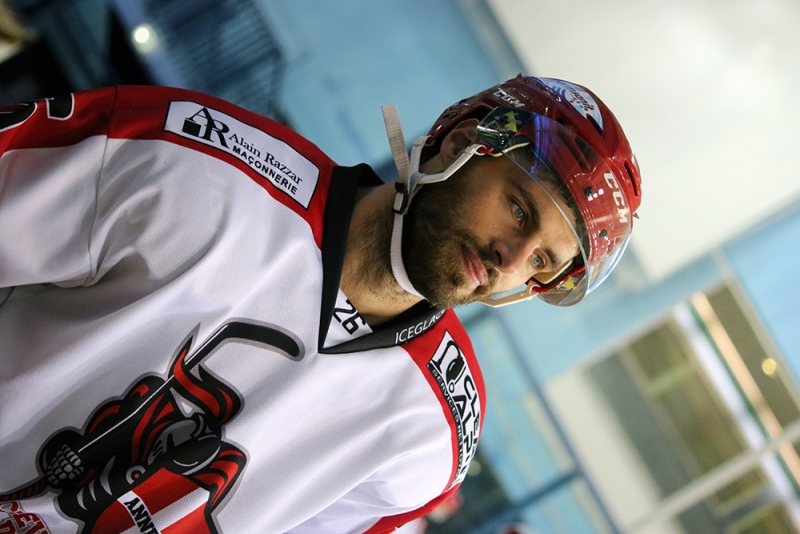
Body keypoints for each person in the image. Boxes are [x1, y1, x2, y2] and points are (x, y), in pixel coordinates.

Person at [0, 75, 641, 533]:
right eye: (519, 207)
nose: (512, 257)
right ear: (462, 143)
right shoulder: (196, 165)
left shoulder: (435, 438)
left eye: (542, 263)